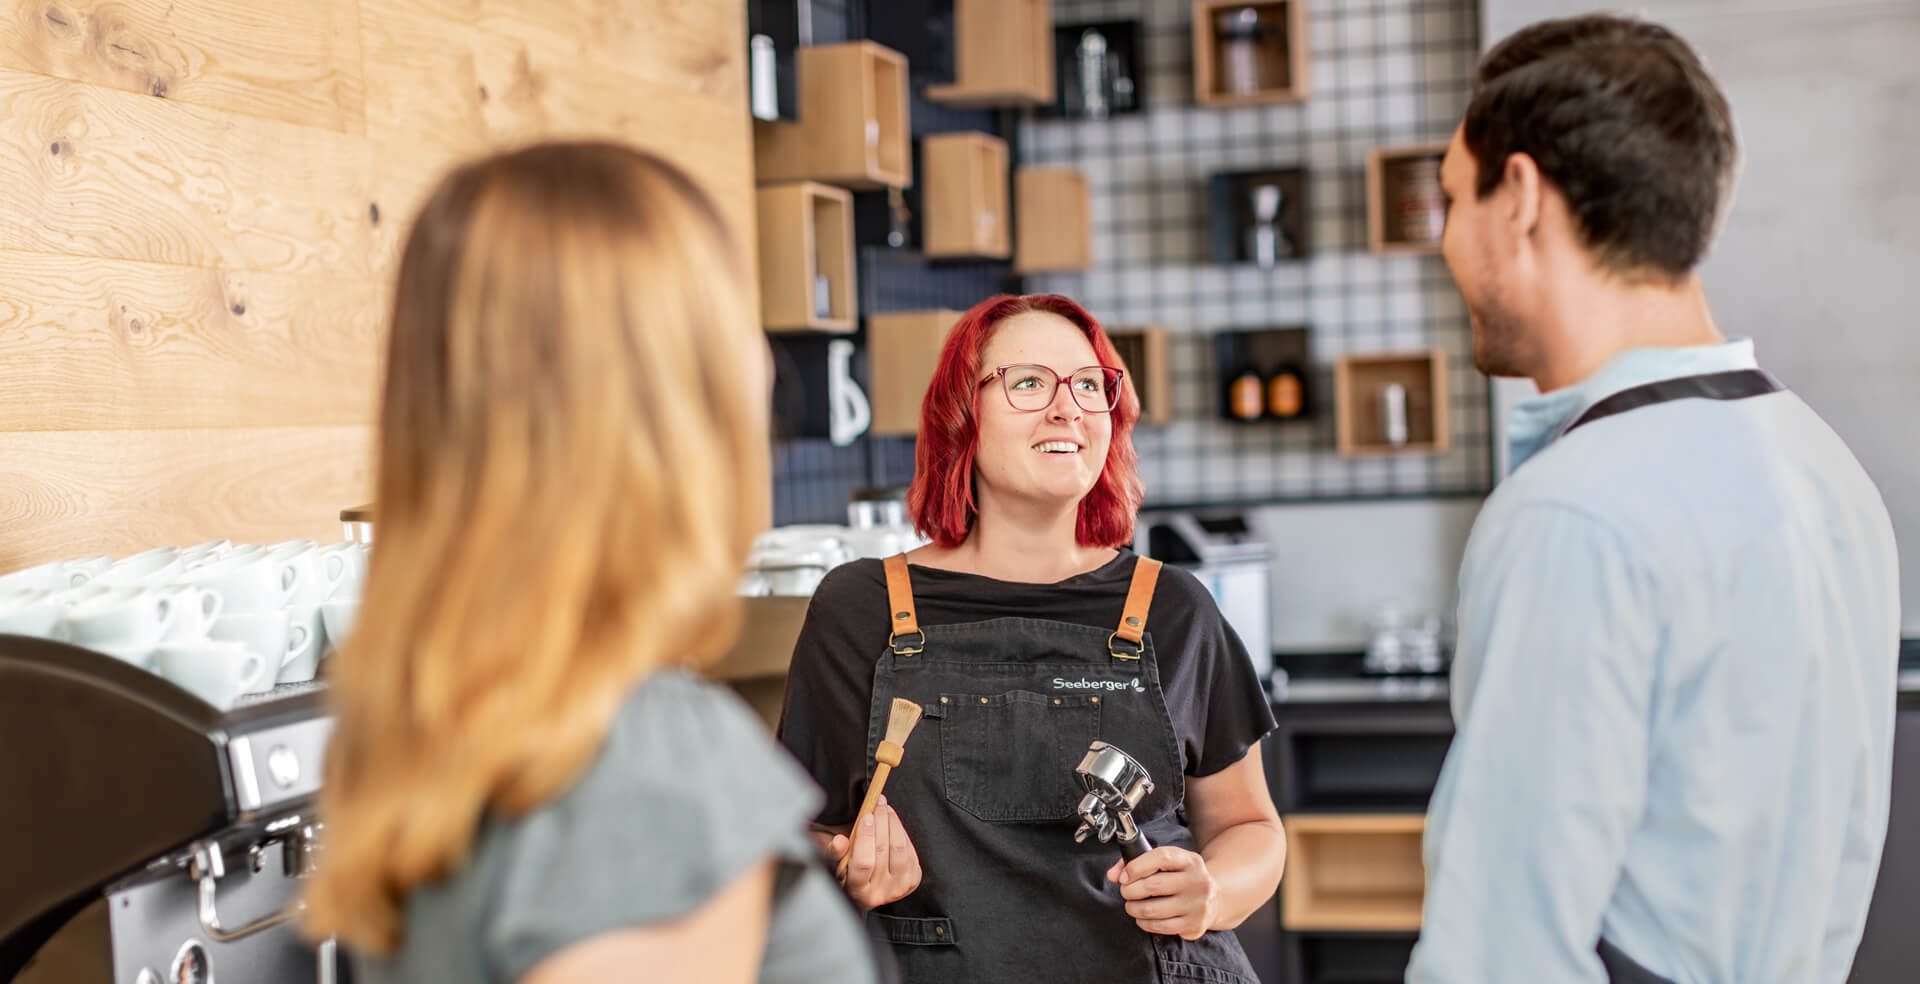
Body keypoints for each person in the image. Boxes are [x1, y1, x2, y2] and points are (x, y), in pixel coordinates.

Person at [301, 142, 880, 984]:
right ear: (670, 402)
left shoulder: (450, 721)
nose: (761, 367)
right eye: (728, 326)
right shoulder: (648, 759)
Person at [1407, 14, 1900, 984]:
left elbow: (1499, 957)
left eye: (1452, 200)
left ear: (1519, 200)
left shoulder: (1572, 513)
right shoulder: (1828, 471)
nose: (1445, 243)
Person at [777, 293, 1286, 982]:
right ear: (962, 412)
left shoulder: (1172, 609)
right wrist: (847, 875)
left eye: (1088, 384)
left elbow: (1250, 829)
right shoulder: (862, 609)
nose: (1067, 407)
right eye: (1028, 383)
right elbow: (798, 841)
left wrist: (1214, 892)